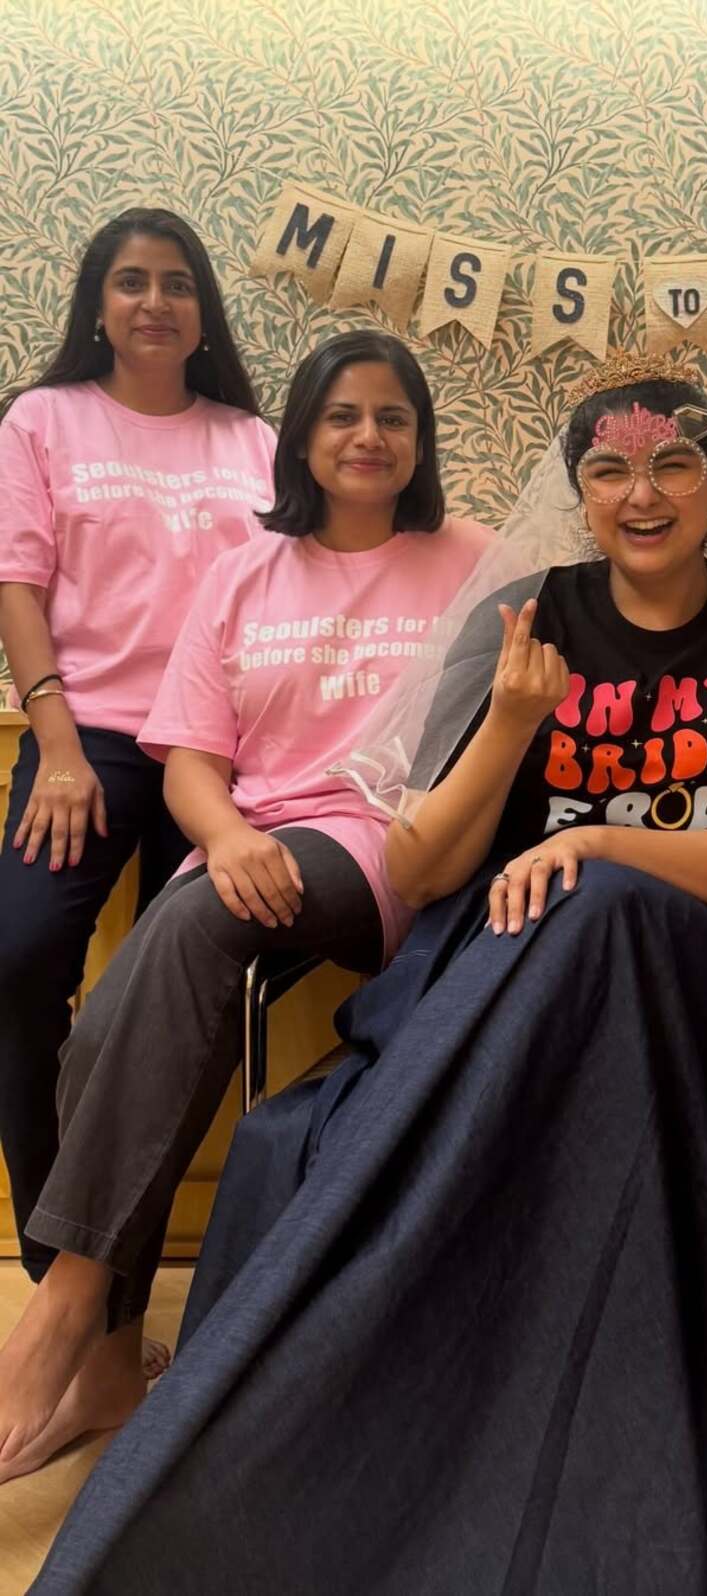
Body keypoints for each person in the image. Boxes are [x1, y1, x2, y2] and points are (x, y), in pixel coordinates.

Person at [30, 354, 707, 1595]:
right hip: (509, 968)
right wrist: (515, 727)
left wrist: (589, 839)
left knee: (608, 907)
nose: (644, 492)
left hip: (685, 985)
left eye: (674, 462)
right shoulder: (517, 616)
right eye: (609, 468)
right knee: (286, 1139)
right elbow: (418, 857)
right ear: (578, 491)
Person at [0, 330, 491, 1484]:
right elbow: (190, 765)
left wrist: (237, 847)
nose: (368, 437)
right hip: (248, 842)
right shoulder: (242, 571)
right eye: (341, 415)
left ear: (418, 442)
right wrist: (220, 833)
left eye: (393, 418)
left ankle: (66, 1302)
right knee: (100, 1033)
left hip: (389, 844)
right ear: (303, 439)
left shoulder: (469, 559)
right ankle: (114, 1365)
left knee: (195, 924)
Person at [0, 207, 274, 1397]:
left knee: (183, 1000)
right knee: (15, 963)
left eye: (175, 283)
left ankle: (112, 1323)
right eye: (129, 282)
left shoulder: (252, 436)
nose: (154, 302)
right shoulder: (43, 418)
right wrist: (53, 738)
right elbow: (18, 581)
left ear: (203, 309)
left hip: (217, 748)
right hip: (92, 738)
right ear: (96, 305)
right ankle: (75, 1285)